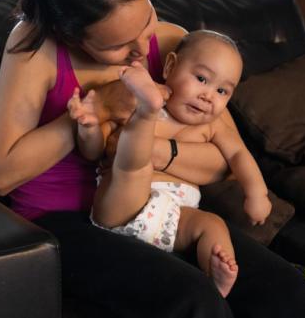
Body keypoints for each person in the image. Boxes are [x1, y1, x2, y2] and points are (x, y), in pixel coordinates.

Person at [0, 0, 305, 318]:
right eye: (122, 46)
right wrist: (103, 103)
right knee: (195, 301)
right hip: (64, 218)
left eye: (147, 24)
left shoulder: (174, 44)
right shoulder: (34, 44)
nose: (144, 47)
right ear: (73, 36)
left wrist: (156, 153)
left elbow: (221, 158)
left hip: (160, 205)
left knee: (296, 296)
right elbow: (0, 176)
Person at [69, 30, 271, 298]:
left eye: (222, 91)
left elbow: (238, 155)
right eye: (201, 79)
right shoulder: (131, 103)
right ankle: (148, 113)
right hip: (122, 206)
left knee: (212, 225)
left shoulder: (212, 127)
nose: (208, 96)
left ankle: (215, 283)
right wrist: (89, 128)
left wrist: (257, 193)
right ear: (170, 66)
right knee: (136, 165)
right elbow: (93, 152)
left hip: (173, 220)